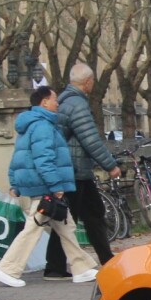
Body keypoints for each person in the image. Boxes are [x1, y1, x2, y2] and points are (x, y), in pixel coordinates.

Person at [0, 87, 99, 287]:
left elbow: (19, 156)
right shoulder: (43, 127)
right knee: (33, 228)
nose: (57, 103)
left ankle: (81, 268)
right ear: (44, 102)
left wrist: (15, 182)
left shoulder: (31, 125)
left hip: (40, 185)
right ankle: (8, 269)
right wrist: (55, 185)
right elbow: (44, 160)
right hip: (44, 187)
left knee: (67, 227)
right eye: (54, 99)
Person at [42, 63, 120, 279]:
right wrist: (110, 165)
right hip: (74, 170)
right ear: (88, 82)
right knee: (70, 218)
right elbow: (90, 139)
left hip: (75, 169)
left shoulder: (66, 100)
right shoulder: (77, 104)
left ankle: (104, 258)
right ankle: (56, 266)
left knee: (89, 213)